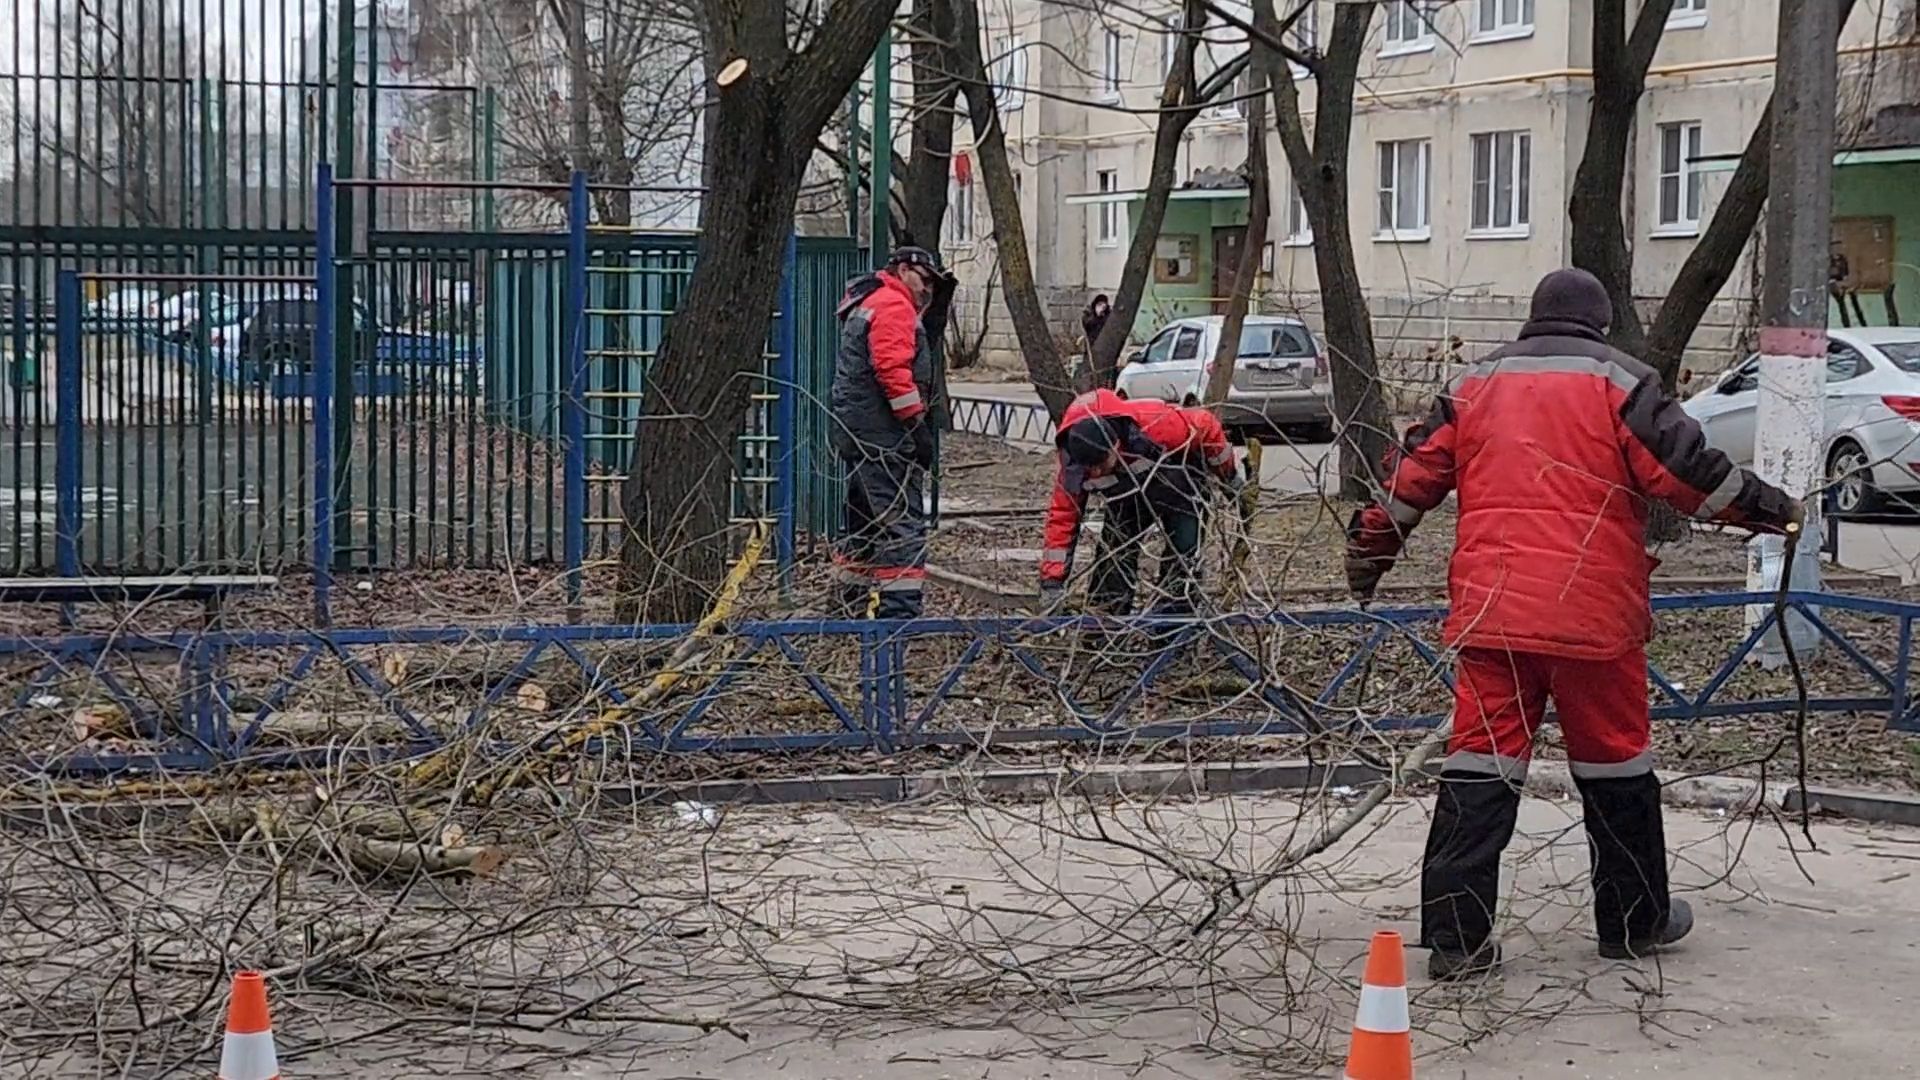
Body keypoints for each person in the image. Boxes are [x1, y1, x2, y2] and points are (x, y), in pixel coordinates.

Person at [1344, 268, 1801, 981]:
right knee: (1616, 764)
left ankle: (1458, 940)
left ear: (1534, 318)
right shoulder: (1622, 381)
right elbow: (1688, 475)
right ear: (1600, 320)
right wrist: (1776, 510)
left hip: (1494, 617)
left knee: (1478, 766)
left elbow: (1407, 483)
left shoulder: (1472, 385)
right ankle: (1633, 921)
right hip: (1594, 619)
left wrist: (1366, 560)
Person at [828, 246, 953, 619]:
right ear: (902, 269)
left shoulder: (870, 302)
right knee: (902, 523)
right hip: (884, 439)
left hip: (860, 435)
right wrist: (917, 427)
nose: (926, 289)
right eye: (923, 279)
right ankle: (899, 615)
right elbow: (892, 372)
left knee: (862, 524)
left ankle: (846, 610)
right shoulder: (894, 307)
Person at [1040, 388, 1242, 615]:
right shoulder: (1074, 467)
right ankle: (1106, 628)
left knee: (1184, 556)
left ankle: (1174, 630)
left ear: (1115, 445)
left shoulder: (1155, 424)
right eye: (1090, 468)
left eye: (1101, 464)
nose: (1096, 472)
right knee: (1114, 557)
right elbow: (1062, 518)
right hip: (1127, 499)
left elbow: (1205, 425)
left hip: (1182, 489)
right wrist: (1052, 583)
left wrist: (1231, 480)